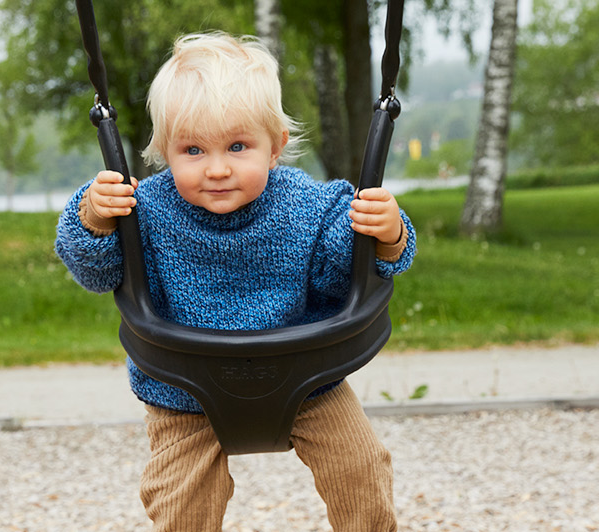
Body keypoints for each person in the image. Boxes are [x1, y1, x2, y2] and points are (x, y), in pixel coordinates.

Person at [54, 32, 416, 531]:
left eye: (238, 146)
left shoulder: (308, 204)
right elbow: (97, 273)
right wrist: (93, 218)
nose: (218, 169)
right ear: (164, 151)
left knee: (361, 468)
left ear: (275, 148)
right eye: (194, 149)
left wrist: (387, 232)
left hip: (308, 378)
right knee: (180, 503)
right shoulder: (146, 211)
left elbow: (349, 263)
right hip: (185, 393)